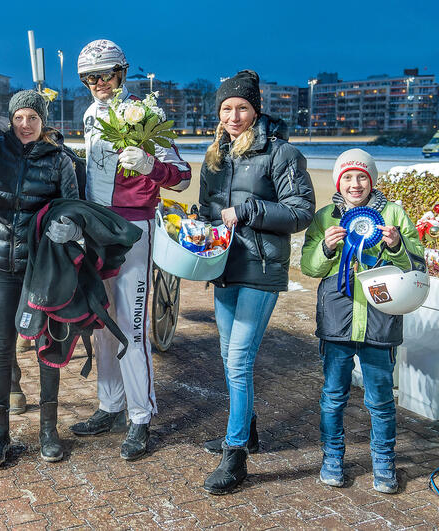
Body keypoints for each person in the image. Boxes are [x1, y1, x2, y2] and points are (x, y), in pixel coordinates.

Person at [72, 39, 192, 461]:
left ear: (122, 73)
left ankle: (140, 416)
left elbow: (183, 177)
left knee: (132, 325)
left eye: (105, 75)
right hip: (95, 226)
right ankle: (110, 405)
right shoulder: (88, 115)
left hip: (132, 229)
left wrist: (150, 167)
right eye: (89, 78)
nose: (99, 84)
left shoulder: (147, 112)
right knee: (101, 322)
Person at [198, 70, 315, 494]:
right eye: (226, 108)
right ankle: (247, 431)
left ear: (256, 109)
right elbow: (207, 209)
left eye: (241, 108)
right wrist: (194, 227)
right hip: (224, 267)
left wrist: (248, 210)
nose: (233, 115)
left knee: (238, 361)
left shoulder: (281, 153)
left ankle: (236, 455)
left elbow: (301, 211)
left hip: (261, 269)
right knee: (229, 357)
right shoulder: (215, 156)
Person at [301, 149, 423, 493]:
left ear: (372, 179)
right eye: (348, 177)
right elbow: (310, 268)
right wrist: (324, 248)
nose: (355, 184)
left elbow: (417, 264)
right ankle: (332, 458)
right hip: (337, 322)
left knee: (381, 399)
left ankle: (384, 462)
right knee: (333, 396)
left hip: (381, 322)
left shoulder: (394, 213)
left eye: (362, 176)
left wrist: (398, 245)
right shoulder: (326, 216)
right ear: (339, 180)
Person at [0, 90, 79, 466]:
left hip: (41, 269)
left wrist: (67, 226)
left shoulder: (59, 161)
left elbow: (74, 207)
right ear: (11, 119)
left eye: (33, 119)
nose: (25, 125)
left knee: (46, 346)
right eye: (19, 118)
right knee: (1, 348)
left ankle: (48, 431)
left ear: (43, 122)